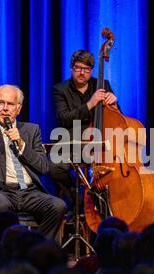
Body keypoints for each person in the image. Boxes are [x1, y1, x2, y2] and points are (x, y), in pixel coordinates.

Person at [0, 84, 67, 240]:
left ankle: (39, 250)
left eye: (10, 104)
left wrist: (21, 144)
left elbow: (43, 168)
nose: (5, 108)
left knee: (58, 206)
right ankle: (7, 254)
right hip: (0, 191)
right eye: (0, 103)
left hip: (29, 192)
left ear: (18, 108)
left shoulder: (31, 130)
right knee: (1, 205)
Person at [49, 50, 119, 206]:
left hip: (102, 145)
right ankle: (80, 198)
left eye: (86, 69)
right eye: (78, 68)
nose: (82, 72)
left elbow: (117, 116)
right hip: (74, 144)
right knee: (54, 167)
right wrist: (90, 104)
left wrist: (114, 104)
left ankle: (113, 205)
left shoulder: (102, 84)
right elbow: (64, 118)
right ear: (71, 67)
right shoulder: (60, 90)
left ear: (92, 70)